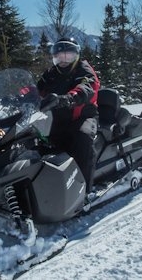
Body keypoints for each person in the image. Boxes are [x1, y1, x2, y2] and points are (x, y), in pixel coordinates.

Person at [37, 37, 100, 200]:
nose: (64, 61)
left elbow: (88, 86)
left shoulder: (83, 68)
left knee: (82, 140)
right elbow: (34, 89)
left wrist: (70, 97)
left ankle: (85, 190)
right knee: (34, 140)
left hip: (82, 116)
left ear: (76, 56)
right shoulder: (51, 73)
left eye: (68, 56)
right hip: (56, 119)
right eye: (60, 57)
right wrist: (17, 97)